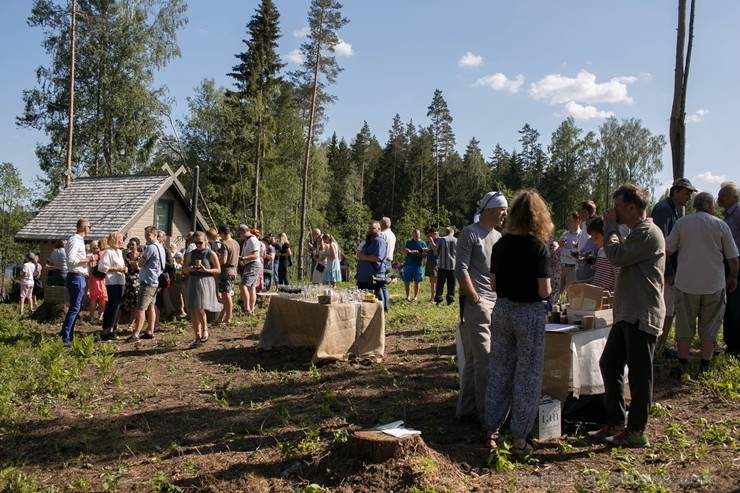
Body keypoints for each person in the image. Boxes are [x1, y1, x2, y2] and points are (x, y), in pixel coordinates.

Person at [588, 184, 665, 448]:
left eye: (618, 206)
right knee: (609, 363)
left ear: (632, 207)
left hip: (642, 313)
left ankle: (637, 430)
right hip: (627, 313)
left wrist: (609, 227)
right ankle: (615, 421)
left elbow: (616, 256)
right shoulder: (635, 233)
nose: (613, 211)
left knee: (640, 374)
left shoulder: (647, 232)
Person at [485, 190, 552, 454]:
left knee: (500, 370)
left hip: (502, 310)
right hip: (529, 314)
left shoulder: (500, 245)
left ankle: (492, 431)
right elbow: (544, 291)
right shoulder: (538, 247)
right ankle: (519, 439)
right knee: (527, 376)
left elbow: (493, 283)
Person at [665, 192, 739, 376]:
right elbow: (733, 258)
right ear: (708, 204)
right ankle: (704, 366)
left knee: (684, 325)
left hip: (686, 283)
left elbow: (666, 249)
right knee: (710, 326)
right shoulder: (721, 225)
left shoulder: (682, 223)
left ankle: (682, 364)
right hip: (713, 284)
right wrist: (733, 277)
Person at [454, 191, 507, 424]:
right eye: (501, 208)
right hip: (478, 303)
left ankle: (465, 411)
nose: (505, 213)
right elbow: (461, 269)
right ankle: (487, 417)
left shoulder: (498, 236)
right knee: (485, 360)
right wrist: (474, 297)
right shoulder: (470, 233)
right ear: (488, 209)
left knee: (476, 360)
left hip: (495, 303)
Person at [651, 177, 696, 360]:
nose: (688, 198)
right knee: (666, 310)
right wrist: (668, 270)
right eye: (686, 193)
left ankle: (659, 348)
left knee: (669, 311)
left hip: (668, 268)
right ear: (675, 191)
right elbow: (662, 243)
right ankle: (655, 351)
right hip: (664, 270)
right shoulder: (664, 210)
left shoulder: (673, 210)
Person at [126, 226, 166, 343]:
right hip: (155, 280)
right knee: (150, 307)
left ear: (154, 235)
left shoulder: (150, 248)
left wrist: (135, 263)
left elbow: (141, 263)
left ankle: (136, 334)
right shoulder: (160, 247)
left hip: (148, 281)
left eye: (148, 235)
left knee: (141, 308)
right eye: (145, 234)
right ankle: (150, 330)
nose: (146, 237)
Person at [183, 231, 223, 346]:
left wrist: (206, 270)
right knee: (193, 309)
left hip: (205, 281)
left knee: (200, 307)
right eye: (196, 242)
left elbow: (218, 270)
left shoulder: (210, 253)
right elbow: (184, 270)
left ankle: (205, 329)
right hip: (193, 281)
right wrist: (190, 268)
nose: (198, 245)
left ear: (206, 241)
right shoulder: (191, 253)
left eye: (200, 242)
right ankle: (197, 336)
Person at [60, 218, 93, 346]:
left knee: (76, 307)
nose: (90, 229)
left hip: (79, 276)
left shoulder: (79, 240)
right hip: (76, 276)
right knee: (74, 308)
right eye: (89, 226)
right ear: (85, 227)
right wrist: (88, 259)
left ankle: (67, 334)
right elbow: (71, 260)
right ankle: (65, 337)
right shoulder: (75, 240)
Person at [717, 181, 740, 357]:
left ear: (734, 198)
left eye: (723, 195)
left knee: (736, 306)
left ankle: (737, 347)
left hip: (737, 264)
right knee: (730, 306)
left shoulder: (738, 214)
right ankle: (731, 345)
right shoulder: (727, 217)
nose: (719, 197)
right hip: (729, 264)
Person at [97, 232, 127, 341]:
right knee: (112, 306)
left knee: (117, 306)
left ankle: (111, 329)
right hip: (112, 281)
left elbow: (120, 265)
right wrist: (118, 269)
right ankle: (105, 330)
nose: (122, 241)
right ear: (114, 240)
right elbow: (102, 267)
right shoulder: (108, 252)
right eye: (120, 239)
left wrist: (124, 268)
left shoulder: (119, 252)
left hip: (120, 281)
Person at [356, 220, 388, 302]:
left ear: (379, 229)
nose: (370, 230)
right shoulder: (369, 241)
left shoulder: (379, 241)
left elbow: (378, 258)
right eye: (369, 228)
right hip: (363, 279)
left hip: (372, 279)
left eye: (373, 228)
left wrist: (363, 257)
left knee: (373, 302)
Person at [587, 216, 619, 292]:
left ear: (606, 234)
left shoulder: (614, 253)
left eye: (596, 237)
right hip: (596, 296)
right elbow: (598, 278)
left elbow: (619, 280)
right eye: (592, 238)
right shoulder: (600, 251)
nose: (594, 241)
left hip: (607, 299)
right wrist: (582, 282)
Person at [216, 225, 239, 325]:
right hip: (234, 271)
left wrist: (216, 260)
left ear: (222, 233)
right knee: (226, 295)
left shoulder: (224, 244)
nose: (220, 236)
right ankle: (221, 317)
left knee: (226, 295)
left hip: (226, 271)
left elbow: (224, 260)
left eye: (220, 234)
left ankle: (228, 318)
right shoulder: (236, 243)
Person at [238, 224, 261, 315]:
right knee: (251, 287)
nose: (240, 236)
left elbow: (255, 255)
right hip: (251, 264)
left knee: (243, 285)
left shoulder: (252, 240)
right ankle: (251, 309)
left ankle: (247, 309)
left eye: (240, 233)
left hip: (253, 264)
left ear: (244, 231)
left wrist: (243, 258)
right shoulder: (248, 240)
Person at [120, 237, 142, 331]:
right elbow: (126, 265)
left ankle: (132, 324)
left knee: (136, 303)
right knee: (127, 303)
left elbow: (143, 268)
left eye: (132, 244)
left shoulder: (141, 256)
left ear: (137, 245)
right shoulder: (127, 255)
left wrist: (138, 267)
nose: (130, 246)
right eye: (129, 244)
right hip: (128, 280)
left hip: (137, 280)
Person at [558, 212, 580, 298]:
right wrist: (569, 252)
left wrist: (566, 251)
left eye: (570, 221)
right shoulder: (564, 234)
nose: (568, 222)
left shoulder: (581, 236)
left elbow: (576, 253)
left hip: (573, 269)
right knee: (555, 294)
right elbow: (558, 250)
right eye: (567, 220)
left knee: (571, 296)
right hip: (561, 268)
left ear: (577, 221)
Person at [402, 229, 428, 301]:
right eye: (415, 235)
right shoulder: (409, 242)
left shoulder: (423, 243)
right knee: (407, 281)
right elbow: (404, 251)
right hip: (408, 264)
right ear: (412, 235)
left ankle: (415, 297)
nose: (416, 236)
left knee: (417, 281)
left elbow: (425, 255)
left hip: (418, 265)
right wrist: (406, 251)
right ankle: (407, 296)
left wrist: (417, 254)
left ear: (420, 234)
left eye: (418, 235)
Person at [434, 227, 457, 306]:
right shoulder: (456, 240)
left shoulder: (442, 240)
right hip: (453, 266)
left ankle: (438, 299)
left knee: (440, 283)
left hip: (442, 265)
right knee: (452, 284)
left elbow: (436, 252)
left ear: (446, 232)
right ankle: (450, 299)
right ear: (452, 232)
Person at [87, 239, 108, 322]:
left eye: (97, 247)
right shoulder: (93, 256)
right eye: (94, 248)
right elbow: (91, 266)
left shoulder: (102, 254)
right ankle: (92, 316)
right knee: (94, 298)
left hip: (101, 277)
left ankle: (100, 316)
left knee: (103, 297)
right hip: (96, 277)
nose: (96, 250)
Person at [379, 217, 396, 311]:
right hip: (389, 261)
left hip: (382, 261)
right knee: (384, 285)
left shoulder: (382, 234)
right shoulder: (392, 235)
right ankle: (386, 306)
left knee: (379, 284)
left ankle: (382, 306)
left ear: (383, 225)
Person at [425, 228, 439, 302]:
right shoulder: (432, 241)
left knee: (435, 279)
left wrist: (432, 241)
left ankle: (436, 296)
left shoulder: (439, 240)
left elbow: (436, 249)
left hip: (435, 261)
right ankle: (432, 296)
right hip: (429, 260)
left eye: (430, 234)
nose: (429, 235)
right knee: (431, 279)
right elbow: (431, 249)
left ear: (435, 233)